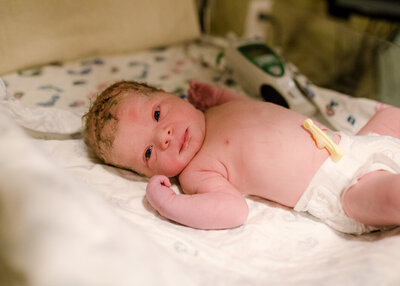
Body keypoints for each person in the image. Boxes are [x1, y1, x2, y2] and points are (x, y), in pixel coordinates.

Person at [84, 80, 400, 234]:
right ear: (144, 172)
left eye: (157, 113)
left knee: (393, 117)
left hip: (357, 145)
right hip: (341, 188)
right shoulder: (198, 171)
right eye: (148, 152)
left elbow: (255, 114)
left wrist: (220, 96)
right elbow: (232, 211)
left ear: (170, 95)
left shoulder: (216, 113)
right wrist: (167, 203)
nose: (163, 136)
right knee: (391, 196)